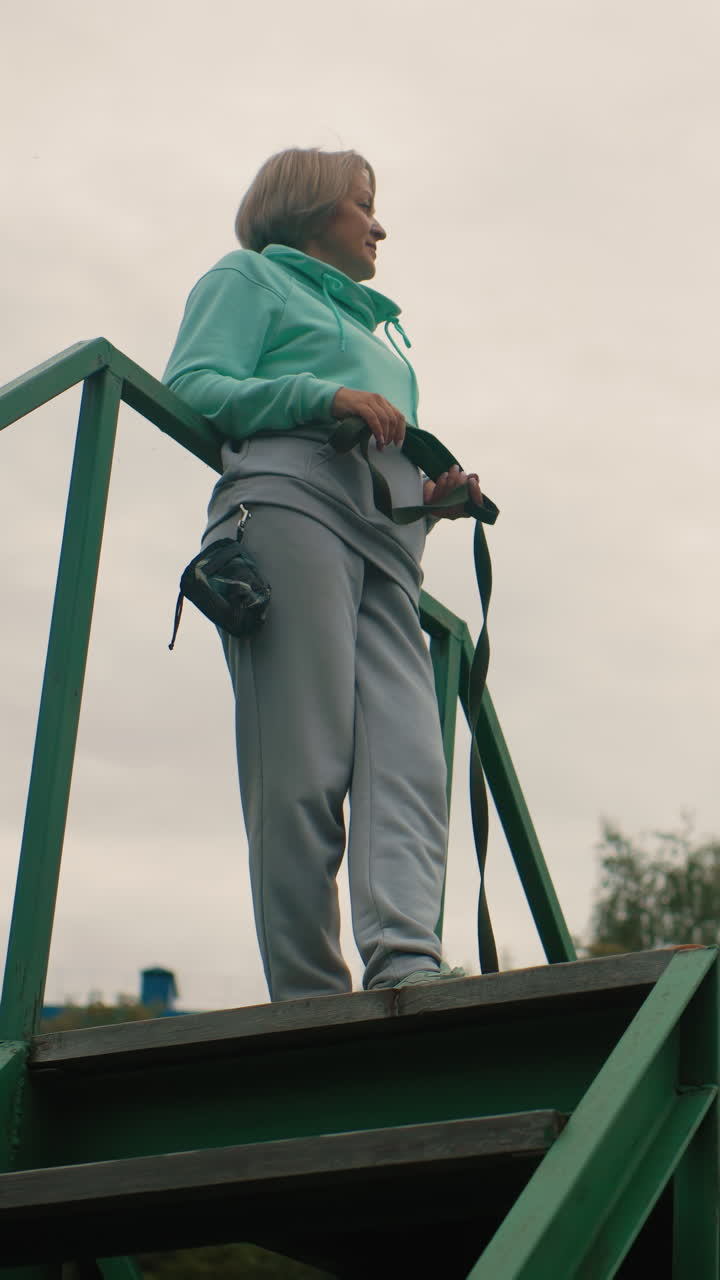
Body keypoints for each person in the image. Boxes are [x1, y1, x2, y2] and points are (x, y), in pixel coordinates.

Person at [163, 148, 483, 1002]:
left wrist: (434, 498)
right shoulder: (248, 279)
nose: (378, 223)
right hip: (291, 512)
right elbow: (194, 384)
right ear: (309, 210)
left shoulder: (380, 339)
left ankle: (408, 965)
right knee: (302, 767)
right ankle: (309, 997)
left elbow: (378, 444)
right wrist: (323, 397)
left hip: (388, 550)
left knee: (410, 763)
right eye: (361, 203)